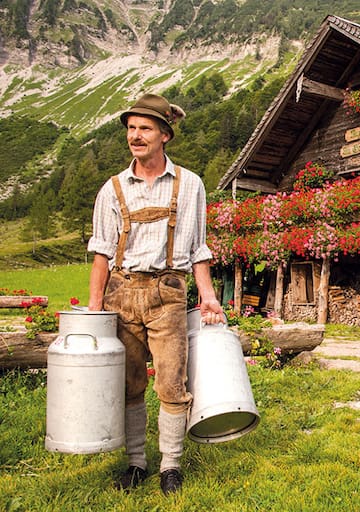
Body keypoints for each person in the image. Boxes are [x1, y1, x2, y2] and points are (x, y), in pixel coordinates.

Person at [87, 93, 224, 495]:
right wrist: (95, 309)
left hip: (168, 293)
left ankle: (171, 466)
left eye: (144, 128)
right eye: (131, 128)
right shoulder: (112, 189)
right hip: (121, 292)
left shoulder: (190, 184)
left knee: (171, 384)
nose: (135, 135)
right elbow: (100, 251)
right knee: (130, 384)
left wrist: (208, 296)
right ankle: (134, 463)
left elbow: (198, 248)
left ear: (165, 134)